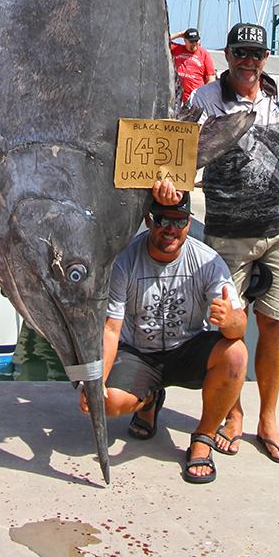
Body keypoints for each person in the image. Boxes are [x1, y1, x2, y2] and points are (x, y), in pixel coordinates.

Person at [155, 22, 279, 464]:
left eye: (256, 53)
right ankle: (234, 413)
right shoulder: (206, 99)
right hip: (228, 233)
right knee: (229, 329)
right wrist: (167, 186)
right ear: (227, 54)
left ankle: (269, 418)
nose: (248, 60)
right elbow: (175, 150)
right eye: (240, 51)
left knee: (276, 325)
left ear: (265, 57)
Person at [80, 192, 247, 484]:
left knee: (236, 353)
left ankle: (204, 436)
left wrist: (231, 320)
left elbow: (238, 327)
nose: (170, 229)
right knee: (109, 403)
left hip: (186, 349)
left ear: (188, 222)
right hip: (139, 354)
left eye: (178, 221)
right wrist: (96, 382)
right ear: (148, 220)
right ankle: (149, 400)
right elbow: (110, 329)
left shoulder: (208, 260)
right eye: (162, 220)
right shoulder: (124, 261)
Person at [170, 27, 216, 103]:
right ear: (185, 40)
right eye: (191, 41)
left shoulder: (204, 54)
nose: (194, 44)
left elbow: (211, 79)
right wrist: (179, 34)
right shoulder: (177, 49)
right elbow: (162, 41)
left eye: (196, 41)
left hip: (195, 99)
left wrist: (205, 97)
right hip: (177, 98)